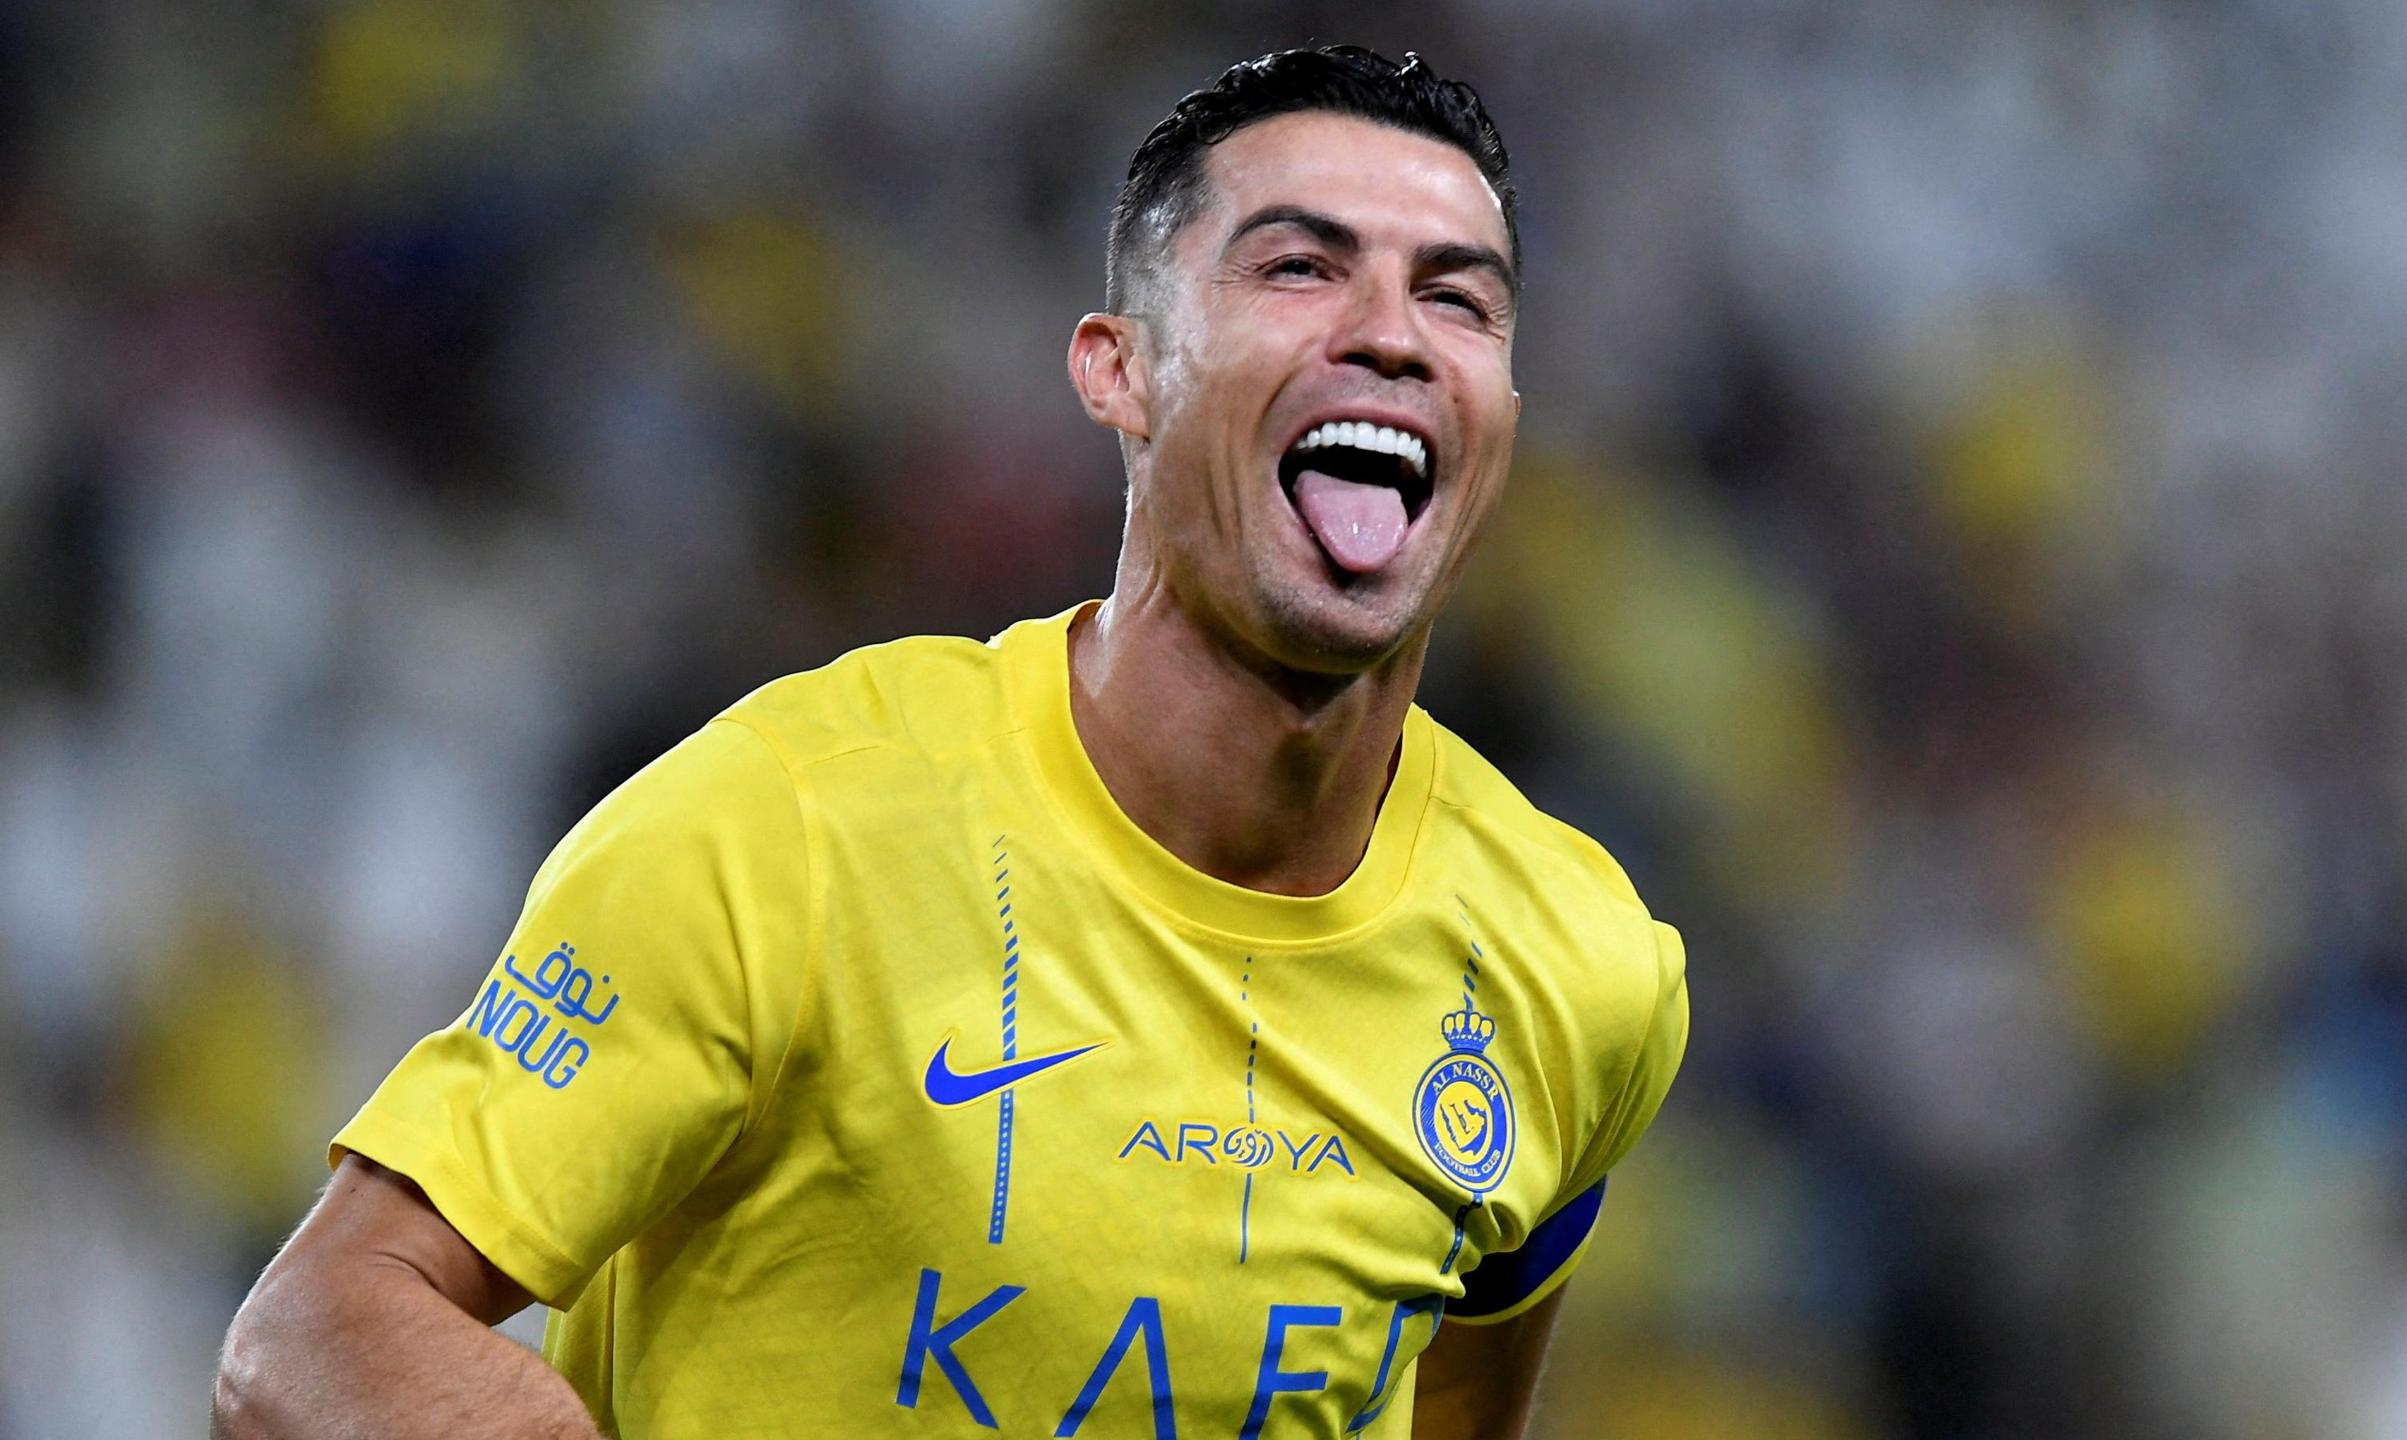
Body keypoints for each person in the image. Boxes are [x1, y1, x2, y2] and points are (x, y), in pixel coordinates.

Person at [211, 45, 1687, 1440]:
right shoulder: (789, 827)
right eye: (1300, 268)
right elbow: (318, 1332)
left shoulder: (1578, 971)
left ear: (1502, 410)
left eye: (1460, 300)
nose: (1388, 335)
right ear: (1120, 370)